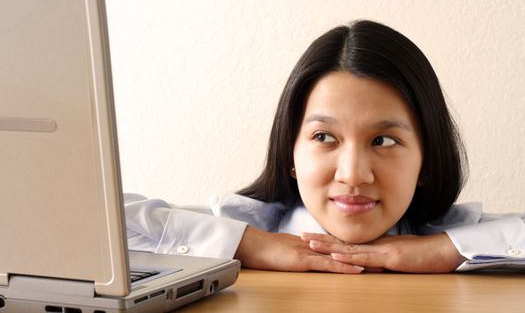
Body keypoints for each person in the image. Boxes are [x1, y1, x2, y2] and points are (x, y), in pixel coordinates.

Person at [125, 20, 525, 273]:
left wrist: (448, 251)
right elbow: (84, 219)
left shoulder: (451, 238)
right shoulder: (238, 228)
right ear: (290, 155)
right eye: (324, 138)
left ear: (427, 162)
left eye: (383, 140)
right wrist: (248, 244)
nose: (353, 174)